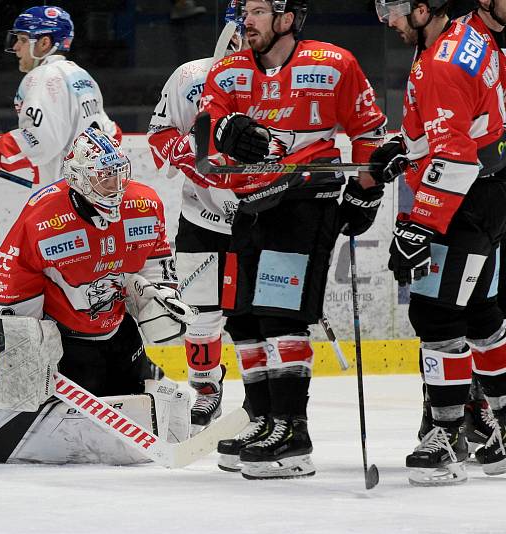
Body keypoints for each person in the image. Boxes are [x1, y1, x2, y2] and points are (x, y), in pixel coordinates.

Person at [197, 0, 388, 479]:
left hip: (306, 200)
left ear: (288, 18)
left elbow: (369, 135)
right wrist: (221, 131)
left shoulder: (333, 63)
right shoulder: (229, 71)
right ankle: (262, 420)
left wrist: (366, 194)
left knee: (280, 316)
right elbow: (204, 132)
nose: (248, 21)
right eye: (247, 11)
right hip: (249, 206)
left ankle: (292, 431)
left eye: (260, 10)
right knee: (242, 318)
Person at [0, 128, 194, 465]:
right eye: (104, 177)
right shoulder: (45, 217)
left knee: (138, 389)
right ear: (79, 179)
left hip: (118, 330)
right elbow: (9, 276)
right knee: (74, 404)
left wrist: (158, 297)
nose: (115, 186)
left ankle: (150, 378)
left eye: (119, 174)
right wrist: (26, 343)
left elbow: (155, 258)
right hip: (68, 342)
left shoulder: (144, 204)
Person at [375, 0, 506, 484]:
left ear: (424, 9)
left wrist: (419, 224)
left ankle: (448, 436)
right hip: (487, 190)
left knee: (436, 314)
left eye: (392, 8)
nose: (386, 19)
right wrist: (407, 148)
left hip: (463, 196)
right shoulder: (465, 36)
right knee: (481, 314)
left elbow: (455, 156)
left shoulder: (443, 63)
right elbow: (458, 127)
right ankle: (503, 429)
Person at [147, 1, 245, 432]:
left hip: (260, 219)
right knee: (200, 313)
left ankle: (266, 397)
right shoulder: (190, 78)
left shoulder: (289, 81)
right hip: (202, 216)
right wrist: (186, 151)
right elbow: (160, 135)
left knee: (254, 317)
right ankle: (206, 388)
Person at [0, 6, 122, 186]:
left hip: (62, 198)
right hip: (92, 193)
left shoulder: (43, 77)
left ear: (44, 43)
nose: (16, 47)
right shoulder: (83, 77)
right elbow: (113, 134)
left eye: (22, 39)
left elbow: (41, 139)